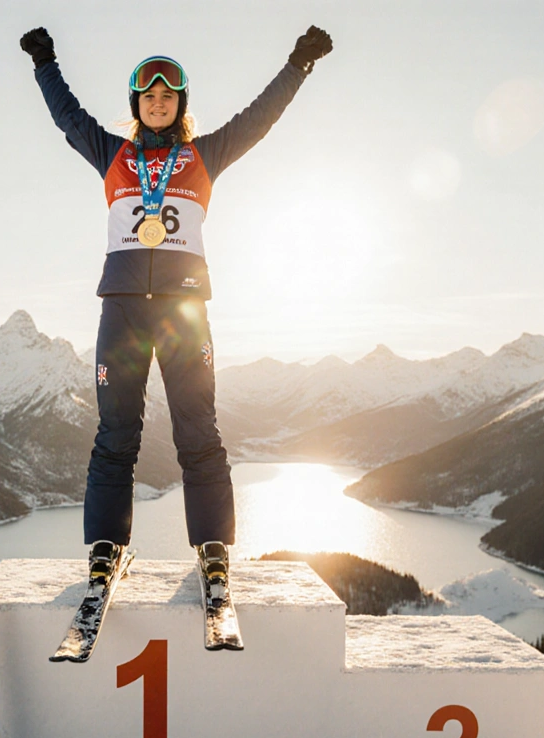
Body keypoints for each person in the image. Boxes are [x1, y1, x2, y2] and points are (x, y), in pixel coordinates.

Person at [19, 26, 333, 589]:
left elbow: (258, 119)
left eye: (168, 97)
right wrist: (46, 62)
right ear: (137, 106)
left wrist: (298, 65)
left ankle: (213, 548)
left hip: (185, 309)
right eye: (149, 97)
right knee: (116, 433)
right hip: (122, 310)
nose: (158, 103)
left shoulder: (203, 155)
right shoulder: (111, 154)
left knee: (198, 430)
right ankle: (105, 548)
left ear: (180, 105)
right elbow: (68, 115)